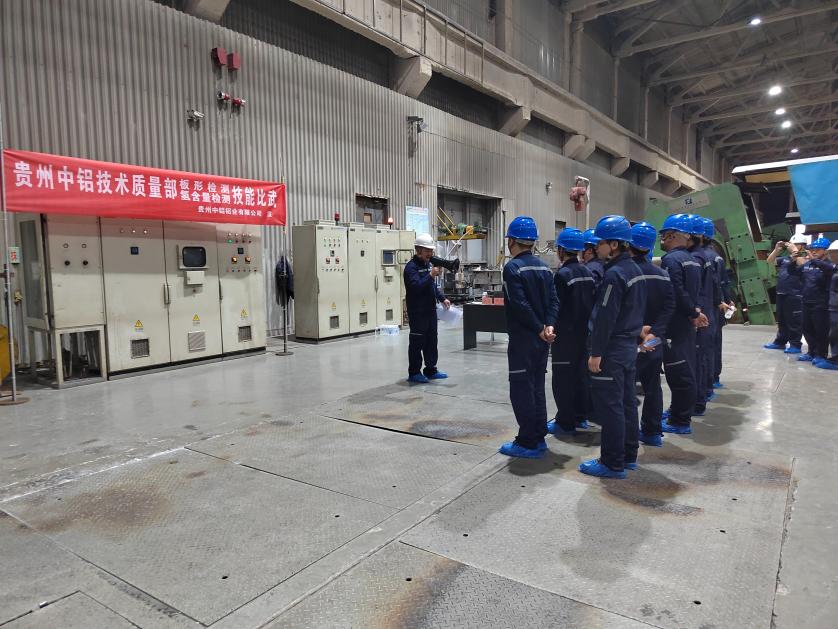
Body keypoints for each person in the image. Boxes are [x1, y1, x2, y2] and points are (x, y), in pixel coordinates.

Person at [579, 215, 646, 479]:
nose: (597, 247)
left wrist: (596, 353)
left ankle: (612, 462)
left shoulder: (615, 274)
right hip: (628, 348)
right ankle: (628, 455)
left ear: (615, 244)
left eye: (601, 243)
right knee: (627, 403)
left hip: (613, 350)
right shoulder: (636, 270)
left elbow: (606, 317)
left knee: (611, 407)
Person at [498, 216, 559, 459]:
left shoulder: (512, 268)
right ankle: (538, 437)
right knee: (536, 387)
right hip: (542, 340)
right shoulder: (544, 268)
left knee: (522, 389)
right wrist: (548, 327)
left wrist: (537, 328)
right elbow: (554, 301)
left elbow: (519, 304)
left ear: (512, 241)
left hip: (524, 339)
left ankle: (527, 442)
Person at [659, 214, 707, 435]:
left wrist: (691, 312)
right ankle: (678, 411)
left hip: (675, 325)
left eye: (664, 235)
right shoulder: (692, 260)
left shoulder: (671, 260)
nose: (662, 240)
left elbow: (676, 292)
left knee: (678, 372)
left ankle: (680, 420)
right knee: (686, 368)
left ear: (672, 235)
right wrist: (694, 312)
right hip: (685, 324)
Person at [629, 222, 675, 447]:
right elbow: (670, 307)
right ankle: (652, 432)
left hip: (629, 339)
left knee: (625, 389)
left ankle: (627, 437)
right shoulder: (663, 275)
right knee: (653, 385)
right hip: (654, 339)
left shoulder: (624, 273)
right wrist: (654, 332)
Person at [546, 228, 595, 436]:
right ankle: (581, 416)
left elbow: (557, 305)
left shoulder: (562, 275)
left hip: (565, 337)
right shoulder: (588, 272)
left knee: (563, 380)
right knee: (581, 377)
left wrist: (549, 325)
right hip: (585, 335)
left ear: (561, 250)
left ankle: (565, 421)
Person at [403, 233, 450, 383]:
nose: (430, 254)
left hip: (430, 310)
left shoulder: (428, 265)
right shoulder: (411, 268)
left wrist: (442, 298)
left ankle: (431, 369)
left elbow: (432, 286)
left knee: (431, 340)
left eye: (431, 250)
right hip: (418, 312)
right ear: (418, 250)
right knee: (417, 342)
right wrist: (430, 275)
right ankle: (414, 373)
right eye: (427, 250)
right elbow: (416, 287)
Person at [686, 214, 716, 417]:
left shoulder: (695, 258)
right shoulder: (707, 256)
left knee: (695, 361)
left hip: (698, 315)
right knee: (702, 358)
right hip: (707, 311)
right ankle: (702, 395)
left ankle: (695, 404)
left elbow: (691, 292)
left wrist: (693, 312)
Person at [790, 237, 832, 364]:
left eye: (818, 250)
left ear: (826, 251)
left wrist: (813, 259)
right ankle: (811, 352)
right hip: (806, 301)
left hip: (821, 303)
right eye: (813, 249)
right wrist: (793, 261)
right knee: (807, 328)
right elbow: (793, 272)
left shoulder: (829, 265)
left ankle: (821, 354)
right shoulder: (808, 264)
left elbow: (828, 269)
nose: (814, 251)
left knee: (821, 330)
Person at [763, 234, 807, 353]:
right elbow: (769, 261)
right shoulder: (786, 258)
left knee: (794, 321)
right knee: (782, 320)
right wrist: (776, 250)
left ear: (802, 246)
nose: (792, 246)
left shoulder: (805, 257)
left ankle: (795, 345)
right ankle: (780, 342)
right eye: (792, 244)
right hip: (781, 293)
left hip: (794, 294)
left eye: (796, 244)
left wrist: (795, 251)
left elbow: (803, 265)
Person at [711, 224, 735, 388]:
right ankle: (714, 379)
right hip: (715, 309)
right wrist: (727, 300)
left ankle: (708, 382)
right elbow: (723, 283)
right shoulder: (717, 259)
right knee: (714, 343)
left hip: (703, 311)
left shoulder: (693, 258)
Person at [813, 240, 838, 370]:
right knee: (834, 334)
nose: (830, 255)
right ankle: (834, 357)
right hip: (833, 306)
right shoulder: (835, 267)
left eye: (833, 252)